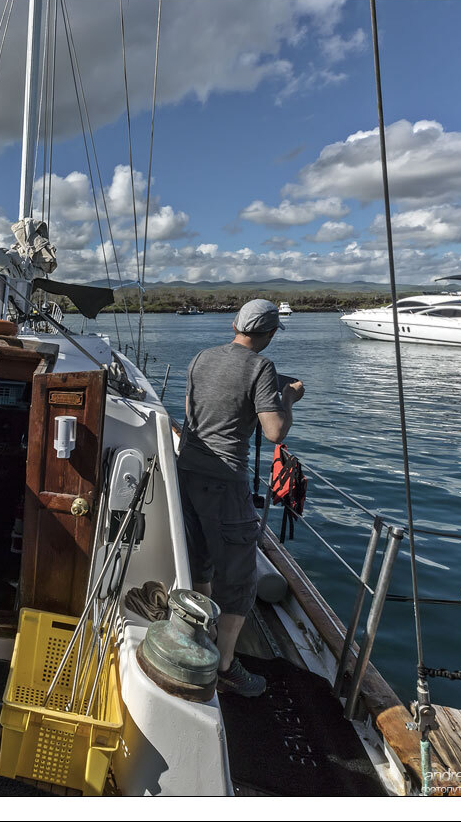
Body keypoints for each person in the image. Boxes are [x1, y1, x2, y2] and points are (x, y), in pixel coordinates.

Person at [176, 298, 305, 697]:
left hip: (187, 472)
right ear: (267, 334)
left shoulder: (201, 358)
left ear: (234, 323)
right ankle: (227, 665)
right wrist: (287, 398)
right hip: (224, 481)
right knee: (242, 577)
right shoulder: (262, 367)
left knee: (200, 560)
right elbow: (274, 433)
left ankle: (202, 629)